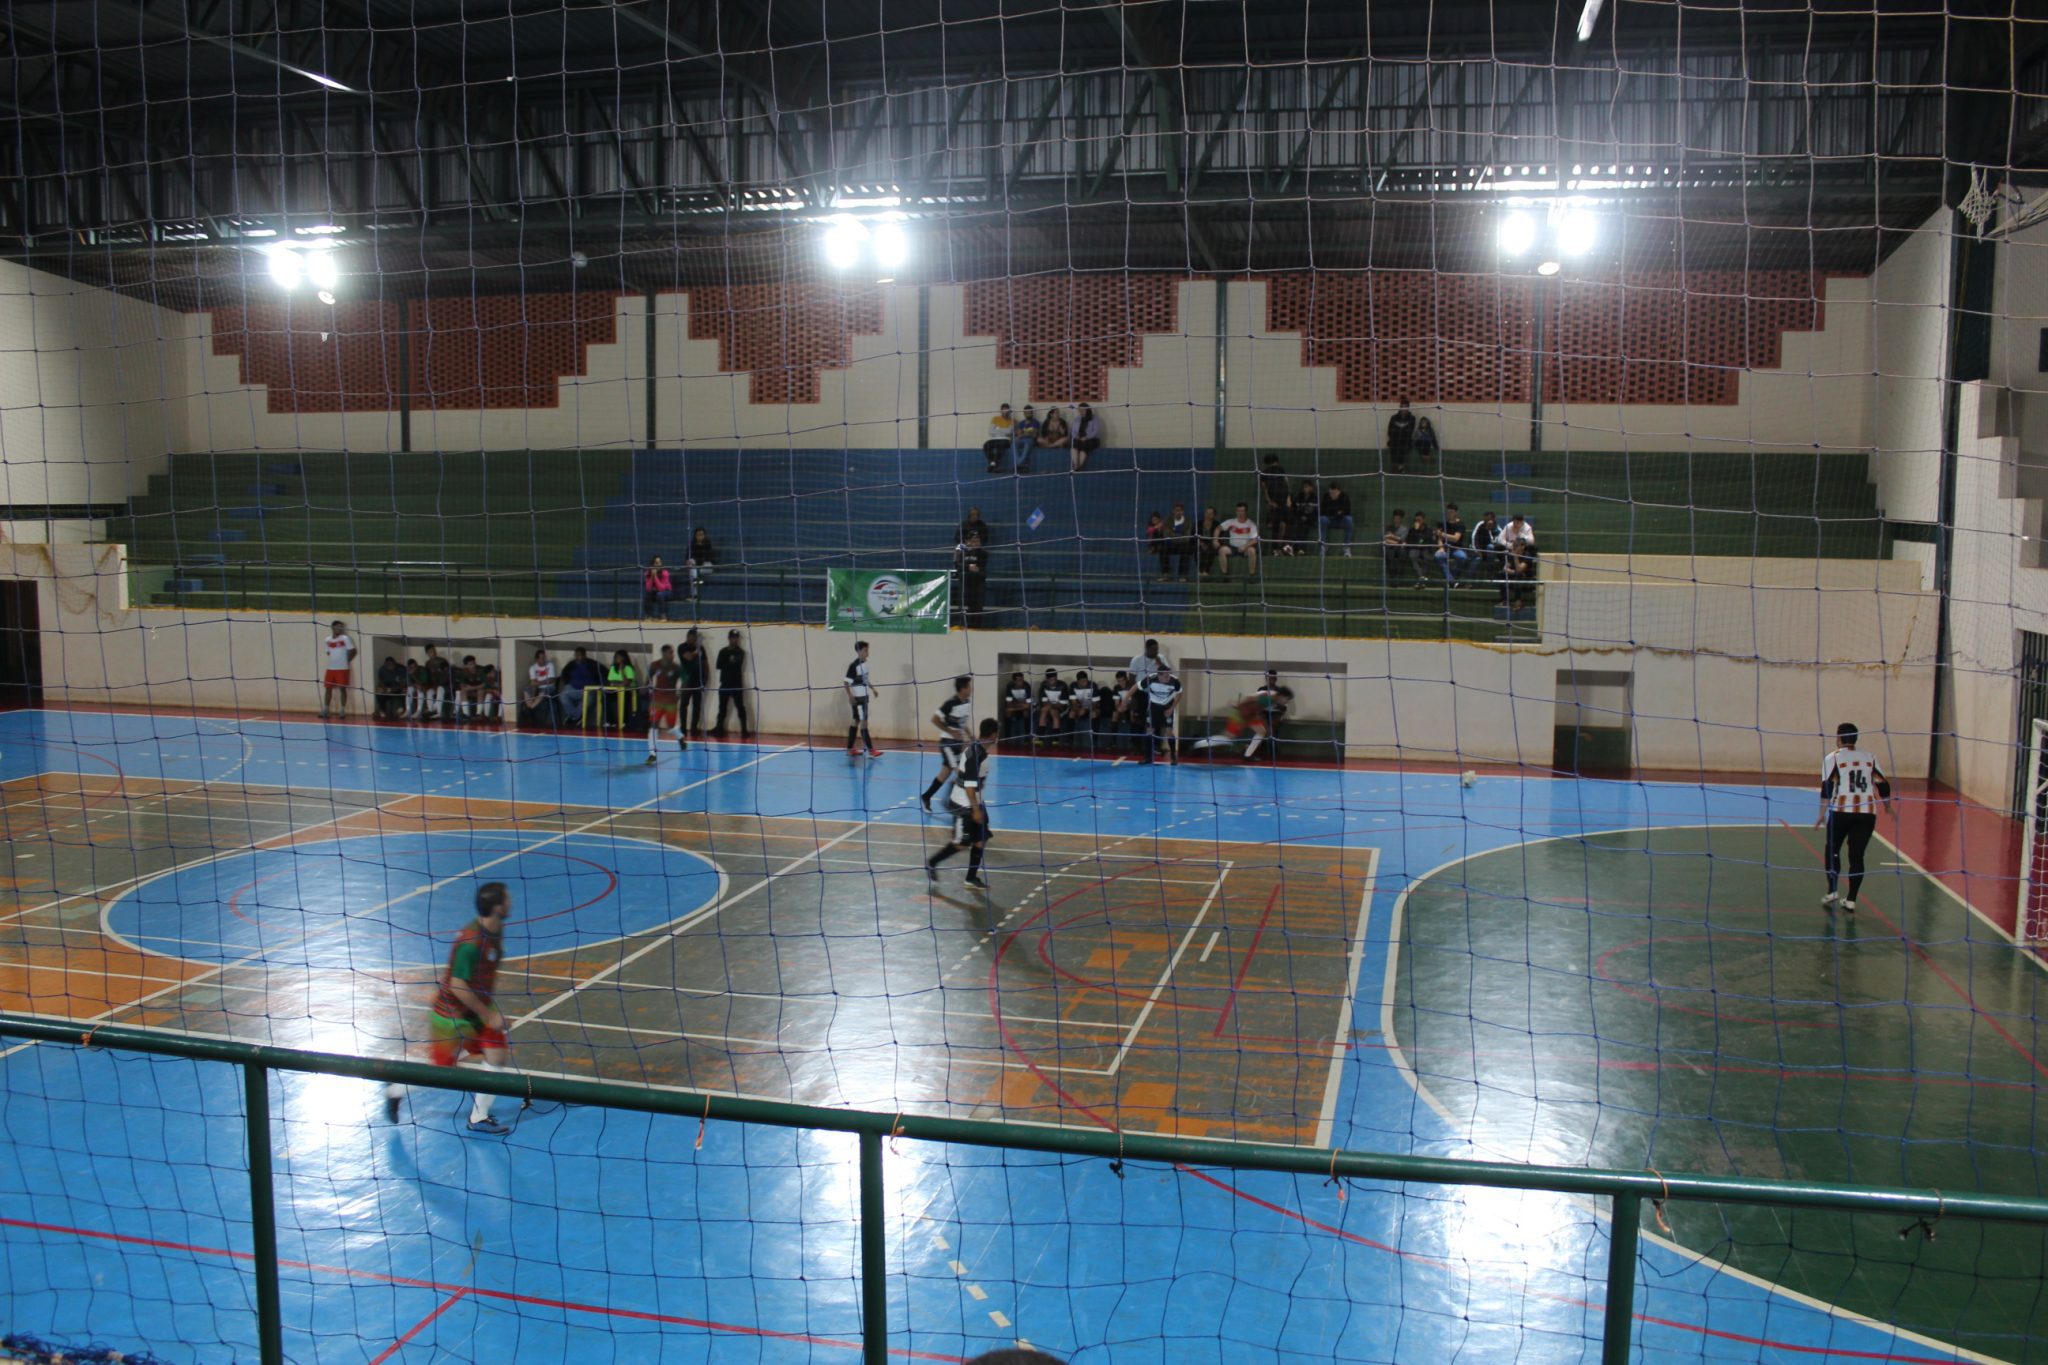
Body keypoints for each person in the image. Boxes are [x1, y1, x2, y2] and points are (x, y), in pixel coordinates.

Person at [384, 881, 516, 1134]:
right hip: (451, 1016)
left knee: (497, 1056)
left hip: (475, 1011)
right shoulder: (472, 941)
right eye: (507, 899)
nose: (511, 903)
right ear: (498, 907)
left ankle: (478, 1117)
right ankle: (395, 1089)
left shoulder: (496, 930)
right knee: (442, 1073)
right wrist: (488, 1015)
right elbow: (457, 984)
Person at [1817, 722, 1891, 914]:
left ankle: (1832, 890)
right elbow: (1883, 785)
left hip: (1842, 810)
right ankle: (1851, 900)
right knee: (1857, 856)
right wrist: (1888, 806)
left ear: (1839, 737)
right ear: (1856, 738)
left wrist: (1821, 814)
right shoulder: (1870, 757)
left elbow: (1827, 788)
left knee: (1833, 849)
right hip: (1866, 812)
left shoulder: (1832, 758)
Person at [926, 719, 1000, 893]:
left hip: (975, 800)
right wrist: (975, 810)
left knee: (981, 838)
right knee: (962, 842)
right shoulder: (976, 755)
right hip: (965, 804)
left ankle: (971, 878)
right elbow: (968, 787)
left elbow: (961, 773)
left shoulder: (976, 749)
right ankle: (932, 862)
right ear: (993, 735)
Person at [1193, 686, 1294, 762]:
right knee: (1227, 738)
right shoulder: (1267, 697)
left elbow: (1256, 704)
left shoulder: (1273, 698)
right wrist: (1240, 706)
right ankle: (1198, 743)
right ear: (1282, 696)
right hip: (1241, 714)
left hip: (1251, 715)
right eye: (1287, 699)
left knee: (1262, 732)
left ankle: (1248, 755)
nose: (1286, 701)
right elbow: (1251, 699)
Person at [921, 675, 974, 811]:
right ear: (963, 688)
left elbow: (963, 722)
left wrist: (970, 735)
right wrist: (950, 731)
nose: (971, 689)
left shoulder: (966, 702)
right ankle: (949, 802)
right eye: (969, 686)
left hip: (958, 744)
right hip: (947, 744)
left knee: (944, 774)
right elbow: (934, 719)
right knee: (960, 772)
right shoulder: (950, 703)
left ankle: (926, 796)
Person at [646, 644, 685, 761]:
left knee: (671, 727)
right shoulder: (654, 665)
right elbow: (647, 678)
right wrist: (648, 686)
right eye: (670, 653)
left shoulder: (677, 667)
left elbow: (686, 680)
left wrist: (679, 693)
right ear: (663, 653)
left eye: (673, 653)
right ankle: (652, 753)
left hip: (671, 701)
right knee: (654, 724)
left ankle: (680, 738)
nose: (672, 655)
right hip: (657, 700)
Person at [1139, 663, 1183, 765]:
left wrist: (1172, 708)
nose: (1168, 677)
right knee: (1149, 731)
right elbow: (1135, 687)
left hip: (1167, 707)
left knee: (1169, 732)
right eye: (1165, 675)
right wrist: (1125, 700)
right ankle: (1147, 757)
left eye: (1169, 675)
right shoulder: (1150, 679)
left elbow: (1179, 693)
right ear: (1159, 675)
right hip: (1153, 707)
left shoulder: (1175, 681)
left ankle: (1173, 757)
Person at [713, 630, 752, 739]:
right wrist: (729, 661)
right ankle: (719, 728)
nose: (735, 640)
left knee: (740, 707)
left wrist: (728, 662)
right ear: (729, 638)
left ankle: (744, 730)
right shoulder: (723, 651)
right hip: (725, 683)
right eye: (733, 637)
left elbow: (736, 664)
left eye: (736, 638)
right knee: (722, 708)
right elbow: (719, 665)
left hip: (736, 684)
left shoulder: (741, 652)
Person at [844, 640, 878, 757]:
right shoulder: (854, 666)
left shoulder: (865, 665)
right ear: (858, 651)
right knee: (863, 723)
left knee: (856, 721)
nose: (867, 652)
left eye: (867, 650)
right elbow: (846, 682)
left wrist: (873, 689)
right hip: (858, 699)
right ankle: (871, 751)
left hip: (864, 698)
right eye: (865, 650)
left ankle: (850, 749)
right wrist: (850, 696)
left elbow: (865, 679)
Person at [320, 620, 357, 719]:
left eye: (341, 627)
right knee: (328, 688)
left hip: (342, 668)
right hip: (330, 668)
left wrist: (346, 661)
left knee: (342, 689)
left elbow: (353, 651)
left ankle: (342, 711)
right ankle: (326, 709)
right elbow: (328, 652)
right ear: (332, 628)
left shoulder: (345, 638)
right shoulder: (327, 639)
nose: (339, 629)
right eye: (337, 627)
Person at [558, 647, 602, 725]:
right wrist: (567, 683)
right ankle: (576, 717)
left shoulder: (593, 664)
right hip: (573, 688)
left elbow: (605, 673)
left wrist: (597, 684)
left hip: (588, 689)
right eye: (576, 655)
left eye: (579, 655)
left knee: (589, 700)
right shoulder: (571, 664)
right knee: (562, 695)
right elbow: (564, 673)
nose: (578, 658)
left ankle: (573, 718)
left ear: (584, 655)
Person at [677, 629, 708, 738]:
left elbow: (705, 664)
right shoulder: (682, 647)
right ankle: (683, 729)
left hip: (698, 681)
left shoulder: (701, 649)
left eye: (695, 637)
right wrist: (697, 650)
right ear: (688, 636)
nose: (693, 638)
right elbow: (688, 657)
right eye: (691, 636)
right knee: (683, 705)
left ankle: (694, 729)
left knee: (697, 706)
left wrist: (705, 679)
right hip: (687, 680)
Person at [1217, 503, 1260, 578]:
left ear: (1246, 512)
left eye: (1242, 511)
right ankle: (1224, 576)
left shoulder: (1251, 524)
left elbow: (1255, 540)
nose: (1240, 513)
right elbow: (1218, 528)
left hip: (1245, 548)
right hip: (1232, 547)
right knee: (1222, 550)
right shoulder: (1231, 522)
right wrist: (1215, 540)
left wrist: (1245, 546)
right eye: (1238, 511)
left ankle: (1252, 575)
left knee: (1252, 551)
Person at [957, 531, 989, 627]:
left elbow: (981, 567)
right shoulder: (961, 552)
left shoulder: (983, 553)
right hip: (965, 583)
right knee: (965, 607)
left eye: (977, 541)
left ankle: (977, 627)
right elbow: (957, 565)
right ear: (967, 541)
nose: (976, 543)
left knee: (978, 607)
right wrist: (968, 567)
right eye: (973, 541)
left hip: (978, 583)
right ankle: (965, 626)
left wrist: (974, 569)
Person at [604, 650, 639, 731]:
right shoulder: (612, 668)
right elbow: (611, 682)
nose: (617, 659)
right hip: (615, 690)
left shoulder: (629, 668)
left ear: (624, 658)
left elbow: (627, 683)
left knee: (623, 700)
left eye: (619, 657)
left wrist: (622, 670)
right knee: (606, 698)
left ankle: (623, 721)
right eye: (616, 657)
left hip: (628, 691)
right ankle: (610, 721)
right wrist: (620, 683)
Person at [1161, 504, 1196, 582]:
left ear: (1183, 512)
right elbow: (1166, 535)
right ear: (1173, 511)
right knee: (1162, 549)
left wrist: (1173, 536)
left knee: (1186, 548)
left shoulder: (1188, 521)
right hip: (1170, 544)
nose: (1178, 512)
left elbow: (1187, 537)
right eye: (1176, 510)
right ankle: (1165, 574)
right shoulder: (1168, 520)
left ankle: (1182, 575)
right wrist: (1180, 536)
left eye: (1180, 510)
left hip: (1182, 545)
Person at [523, 648, 558, 726]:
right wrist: (544, 681)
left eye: (544, 658)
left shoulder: (550, 665)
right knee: (526, 689)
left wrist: (539, 682)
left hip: (549, 688)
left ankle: (530, 708)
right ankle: (530, 706)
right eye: (541, 658)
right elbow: (532, 683)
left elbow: (552, 680)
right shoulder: (532, 668)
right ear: (537, 659)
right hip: (538, 688)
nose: (543, 660)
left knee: (544, 691)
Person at [1035, 668, 1069, 746]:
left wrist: (1051, 706)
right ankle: (1040, 739)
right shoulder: (1044, 685)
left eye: (1054, 679)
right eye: (1051, 680)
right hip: (1048, 707)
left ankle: (1055, 740)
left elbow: (1063, 704)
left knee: (1054, 712)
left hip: (1061, 708)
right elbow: (1044, 702)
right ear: (1047, 679)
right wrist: (1050, 706)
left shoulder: (1063, 685)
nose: (1053, 681)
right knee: (1044, 710)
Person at [1436, 503, 1470, 581]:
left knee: (1463, 557)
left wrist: (1442, 534)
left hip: (1456, 548)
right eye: (1448, 512)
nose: (1449, 514)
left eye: (1451, 512)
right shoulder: (1443, 524)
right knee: (1438, 556)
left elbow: (1455, 538)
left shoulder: (1460, 524)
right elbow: (1439, 538)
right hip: (1445, 548)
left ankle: (1453, 577)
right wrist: (1440, 548)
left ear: (1456, 513)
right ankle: (1451, 579)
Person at [1068, 671, 1101, 753]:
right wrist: (1078, 709)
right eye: (1082, 681)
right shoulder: (1073, 686)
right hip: (1079, 708)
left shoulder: (1093, 685)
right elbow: (1074, 702)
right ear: (1078, 681)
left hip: (1091, 707)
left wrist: (1086, 709)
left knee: (1094, 714)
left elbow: (1095, 703)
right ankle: (1070, 739)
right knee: (1071, 714)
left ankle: (1094, 740)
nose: (1085, 683)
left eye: (1086, 680)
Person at [1320, 482, 1355, 556]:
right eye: (1331, 493)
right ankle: (1323, 546)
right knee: (1322, 519)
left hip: (1341, 521)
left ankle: (1346, 547)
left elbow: (1347, 511)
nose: (1332, 495)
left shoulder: (1344, 497)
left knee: (1349, 520)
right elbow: (1322, 511)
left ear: (1339, 491)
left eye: (1334, 493)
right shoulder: (1326, 496)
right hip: (1329, 520)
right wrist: (1338, 512)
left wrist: (1335, 512)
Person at [1404, 513, 1437, 586]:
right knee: (1412, 555)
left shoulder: (1429, 530)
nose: (1418, 521)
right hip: (1415, 548)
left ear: (1423, 520)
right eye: (1416, 520)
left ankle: (1420, 580)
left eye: (1419, 520)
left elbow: (1429, 540)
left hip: (1425, 548)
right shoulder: (1412, 530)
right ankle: (1421, 577)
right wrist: (1416, 530)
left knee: (1427, 557)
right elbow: (1409, 541)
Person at [1258, 453, 1290, 525]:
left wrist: (1288, 498)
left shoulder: (1280, 469)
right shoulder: (1265, 472)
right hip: (1275, 498)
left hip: (1282, 497)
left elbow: (1286, 482)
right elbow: (1264, 488)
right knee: (1276, 521)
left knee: (1283, 521)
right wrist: (1269, 501)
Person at [685, 527, 717, 601]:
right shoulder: (692, 544)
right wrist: (689, 561)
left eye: (702, 535)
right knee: (692, 572)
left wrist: (697, 561)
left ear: (704, 535)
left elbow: (708, 557)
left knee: (695, 574)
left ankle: (698, 581)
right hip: (696, 567)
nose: (700, 537)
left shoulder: (707, 543)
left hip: (706, 566)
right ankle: (694, 596)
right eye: (698, 535)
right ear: (695, 536)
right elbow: (687, 557)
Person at [1001, 670, 1033, 743]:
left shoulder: (1027, 686)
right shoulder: (1010, 686)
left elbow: (1028, 705)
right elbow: (1009, 703)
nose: (1021, 682)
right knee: (1008, 711)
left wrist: (1017, 706)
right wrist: (1016, 707)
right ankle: (1007, 738)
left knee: (1026, 712)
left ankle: (1027, 739)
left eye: (1022, 680)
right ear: (1014, 681)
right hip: (1016, 706)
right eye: (1018, 680)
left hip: (1022, 707)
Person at [422, 646, 452, 721]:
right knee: (429, 692)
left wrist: (439, 685)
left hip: (445, 685)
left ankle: (438, 712)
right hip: (434, 685)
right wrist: (429, 686)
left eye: (434, 651)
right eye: (431, 652)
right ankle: (431, 710)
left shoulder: (442, 661)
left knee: (440, 689)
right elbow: (428, 678)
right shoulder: (428, 663)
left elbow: (447, 676)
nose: (433, 653)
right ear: (427, 653)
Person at [1386, 398, 1416, 473]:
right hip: (1394, 439)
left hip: (1405, 440)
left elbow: (1410, 431)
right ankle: (1394, 467)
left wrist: (1401, 435)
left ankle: (1401, 467)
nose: (1404, 409)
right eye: (1402, 406)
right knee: (1393, 448)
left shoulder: (1412, 418)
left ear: (1408, 408)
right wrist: (1394, 437)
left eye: (1405, 407)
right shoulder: (1394, 417)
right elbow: (1390, 430)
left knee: (1402, 448)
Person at [984, 404, 1016, 473]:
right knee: (986, 445)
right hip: (995, 439)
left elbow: (1009, 432)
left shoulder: (1012, 420)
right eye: (1003, 410)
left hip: (1006, 440)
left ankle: (993, 465)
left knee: (999, 446)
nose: (1005, 411)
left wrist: (997, 428)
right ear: (1001, 410)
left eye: (1007, 410)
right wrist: (1004, 430)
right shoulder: (995, 419)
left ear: (1009, 411)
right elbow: (991, 432)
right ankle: (992, 464)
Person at [1073, 403, 1103, 471]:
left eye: (1082, 410)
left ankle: (1078, 468)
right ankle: (1075, 465)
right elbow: (1073, 431)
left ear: (1087, 410)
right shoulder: (1077, 419)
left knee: (1084, 446)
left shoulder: (1094, 418)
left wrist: (1087, 437)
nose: (1080, 412)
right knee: (1074, 445)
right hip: (1079, 439)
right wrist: (1076, 436)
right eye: (1079, 410)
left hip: (1092, 440)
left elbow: (1096, 431)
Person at [1011, 405, 1041, 472]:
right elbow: (1018, 434)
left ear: (1032, 413)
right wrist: (1025, 433)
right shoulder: (1021, 423)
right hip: (1021, 439)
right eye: (1026, 413)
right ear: (1024, 413)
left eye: (1029, 412)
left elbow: (1034, 434)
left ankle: (1018, 464)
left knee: (1027, 444)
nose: (1028, 414)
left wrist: (1023, 433)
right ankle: (1020, 464)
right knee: (1014, 442)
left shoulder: (1036, 422)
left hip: (1030, 440)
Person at [1195, 505, 1223, 576]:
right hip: (1200, 542)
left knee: (1211, 549)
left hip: (1211, 542)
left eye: (1210, 514)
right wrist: (1201, 543)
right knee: (1197, 549)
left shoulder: (1217, 524)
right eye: (1207, 513)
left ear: (1214, 515)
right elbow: (1194, 534)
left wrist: (1213, 542)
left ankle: (1206, 571)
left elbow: (1219, 536)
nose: (1208, 515)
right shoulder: (1199, 523)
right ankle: (1200, 570)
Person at [455, 655, 486, 720]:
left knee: (481, 691)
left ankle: (478, 714)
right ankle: (466, 714)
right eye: (470, 664)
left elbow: (484, 684)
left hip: (480, 690)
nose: (473, 665)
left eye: (474, 663)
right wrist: (467, 688)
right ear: (466, 666)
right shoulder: (463, 672)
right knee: (462, 692)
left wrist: (472, 688)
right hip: (470, 691)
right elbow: (462, 685)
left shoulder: (481, 670)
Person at [1142, 512, 1167, 580]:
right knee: (1155, 532)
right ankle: (1153, 548)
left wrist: (1160, 526)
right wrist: (1157, 527)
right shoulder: (1150, 526)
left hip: (1161, 543)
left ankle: (1159, 548)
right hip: (1153, 544)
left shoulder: (1163, 526)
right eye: (1153, 520)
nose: (1154, 521)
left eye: (1156, 519)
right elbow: (1149, 531)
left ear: (1159, 519)